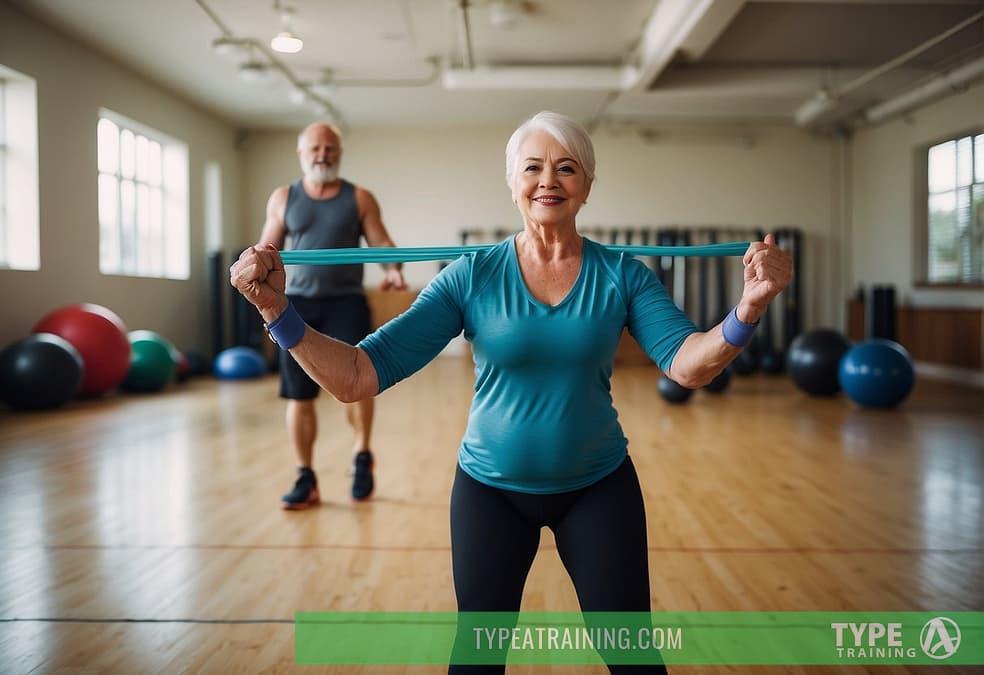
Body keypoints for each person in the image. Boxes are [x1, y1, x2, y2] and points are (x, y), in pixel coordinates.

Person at [232, 111, 792, 672]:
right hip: (489, 492)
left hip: (597, 488)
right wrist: (275, 309)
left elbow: (689, 366)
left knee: (634, 658)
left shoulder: (624, 274)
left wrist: (748, 308)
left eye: (566, 168)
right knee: (477, 660)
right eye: (534, 168)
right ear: (514, 182)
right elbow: (357, 377)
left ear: (587, 186)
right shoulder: (470, 275)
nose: (548, 181)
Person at [256, 121, 406, 510]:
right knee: (298, 395)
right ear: (302, 153)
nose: (323, 155)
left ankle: (361, 455)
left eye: (330, 149)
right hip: (296, 305)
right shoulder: (283, 198)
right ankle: (305, 476)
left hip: (346, 304)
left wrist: (393, 270)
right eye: (315, 149)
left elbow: (382, 242)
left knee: (359, 384)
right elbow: (267, 245)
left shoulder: (359, 199)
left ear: (339, 153)